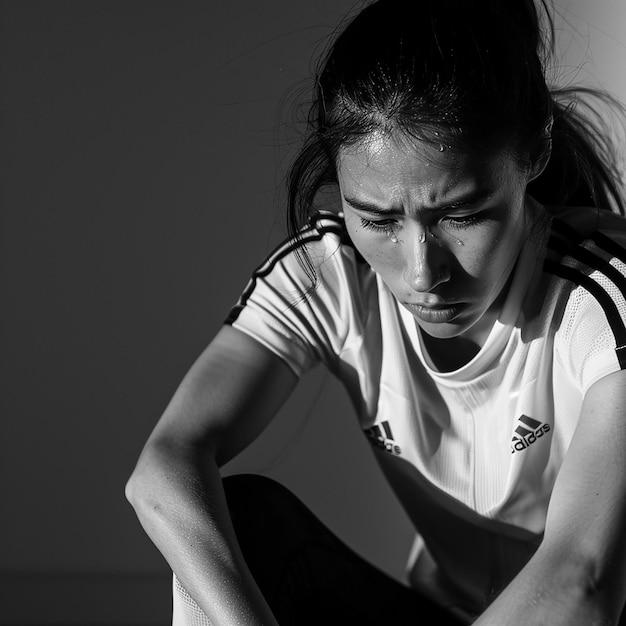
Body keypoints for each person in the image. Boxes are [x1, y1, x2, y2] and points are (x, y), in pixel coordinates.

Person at [126, 0, 626, 623]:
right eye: (379, 220)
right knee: (244, 521)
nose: (423, 274)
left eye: (461, 215)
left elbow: (581, 580)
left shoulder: (604, 296)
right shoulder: (330, 272)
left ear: (535, 151)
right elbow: (165, 469)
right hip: (444, 612)